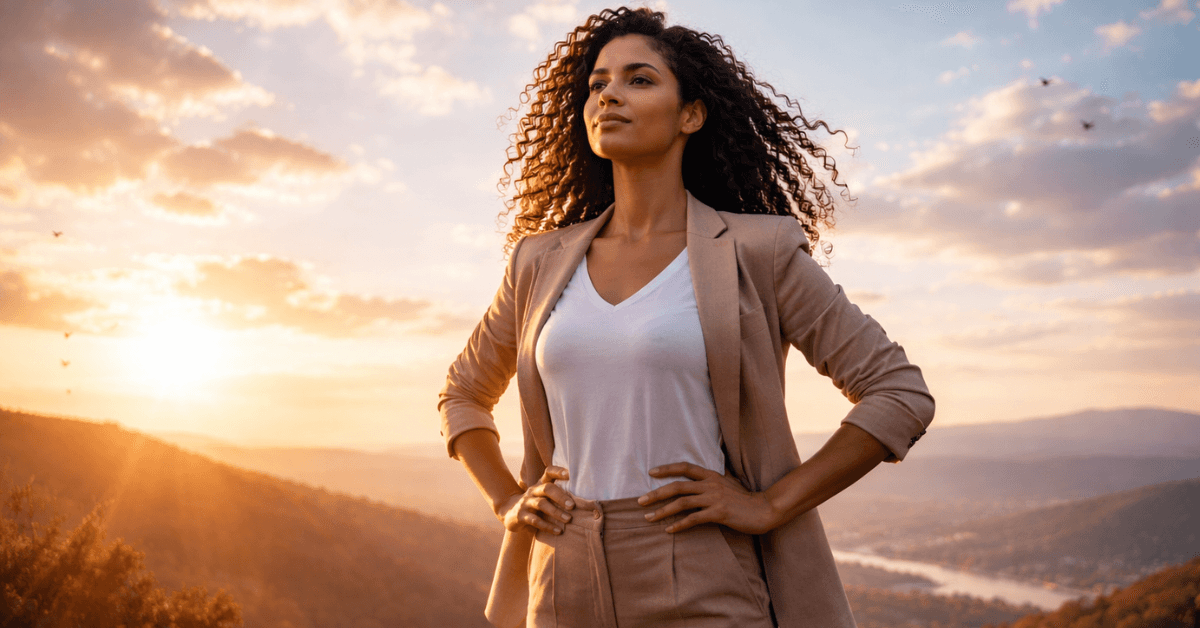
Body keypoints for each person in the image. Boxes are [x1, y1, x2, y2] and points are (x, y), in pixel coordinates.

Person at [438, 7, 934, 628]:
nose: (609, 94)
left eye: (639, 79)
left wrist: (769, 504)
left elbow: (898, 393)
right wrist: (508, 500)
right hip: (560, 569)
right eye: (597, 84)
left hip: (699, 569)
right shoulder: (538, 262)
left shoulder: (759, 252)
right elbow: (462, 393)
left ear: (691, 115)